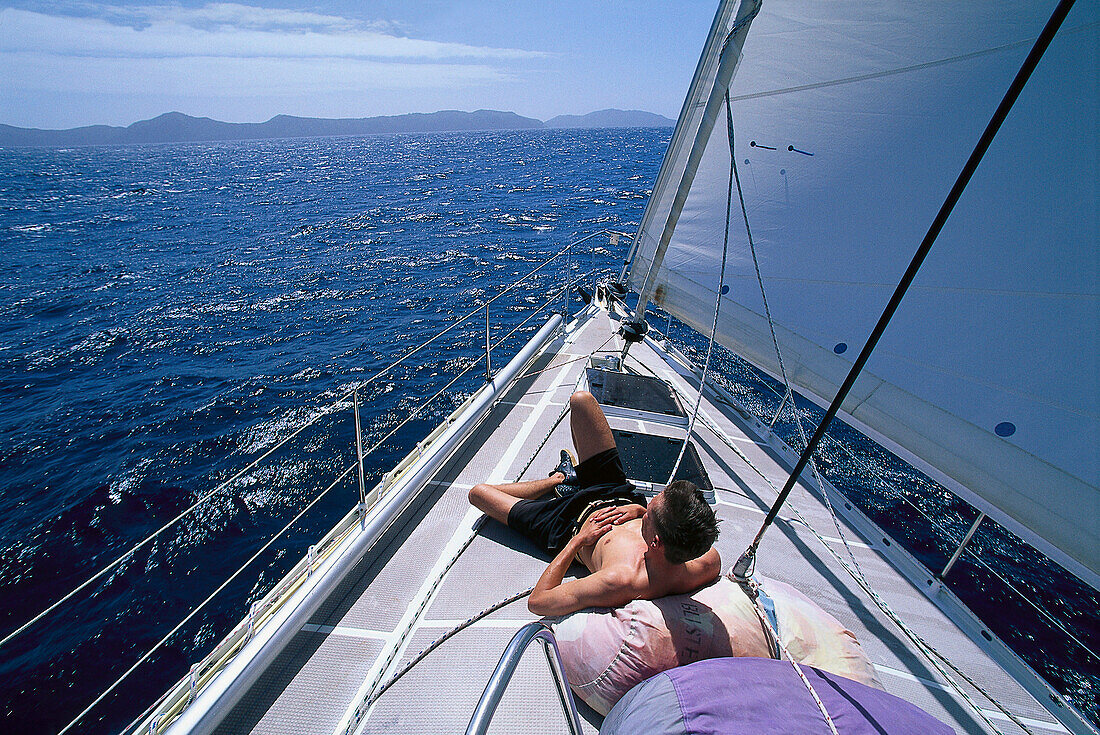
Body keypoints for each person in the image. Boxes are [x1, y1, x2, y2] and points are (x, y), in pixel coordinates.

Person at [469, 390, 721, 616]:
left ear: (656, 542)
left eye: (651, 510)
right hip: (615, 489)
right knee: (581, 401)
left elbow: (539, 602)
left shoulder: (620, 579)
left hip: (567, 522)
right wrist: (639, 509)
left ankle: (559, 479)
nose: (649, 504)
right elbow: (681, 531)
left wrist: (578, 540)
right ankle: (576, 479)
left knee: (479, 493)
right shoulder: (706, 560)